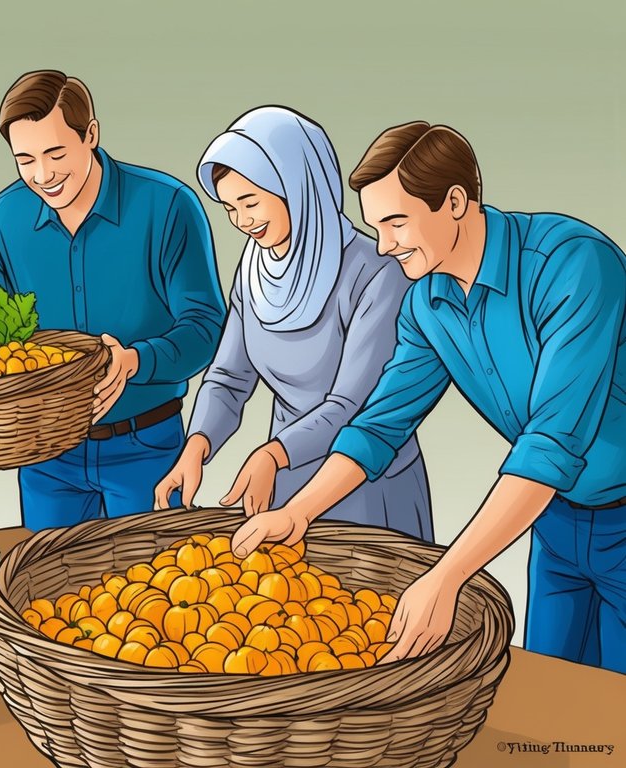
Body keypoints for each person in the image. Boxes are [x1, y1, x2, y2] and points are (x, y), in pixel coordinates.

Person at [230, 121, 626, 674]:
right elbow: (379, 427)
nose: (385, 246)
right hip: (553, 522)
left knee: (616, 722)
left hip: (617, 518)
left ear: (456, 202)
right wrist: (297, 513)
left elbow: (550, 443)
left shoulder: (573, 265)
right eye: (375, 226)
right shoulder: (425, 304)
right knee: (556, 699)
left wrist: (445, 576)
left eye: (397, 222)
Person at [153, 107, 433, 541]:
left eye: (251, 202)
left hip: (367, 483)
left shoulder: (375, 272)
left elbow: (351, 406)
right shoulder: (254, 271)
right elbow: (229, 376)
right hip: (282, 479)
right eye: (230, 208)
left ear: (298, 187)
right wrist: (196, 448)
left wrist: (273, 455)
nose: (243, 222)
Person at [0, 70, 225, 531]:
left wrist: (134, 361)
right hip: (45, 450)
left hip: (147, 445)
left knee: (154, 591)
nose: (42, 175)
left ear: (91, 134)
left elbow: (207, 326)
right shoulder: (2, 219)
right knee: (47, 595)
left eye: (55, 153)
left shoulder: (167, 205)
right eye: (24, 159)